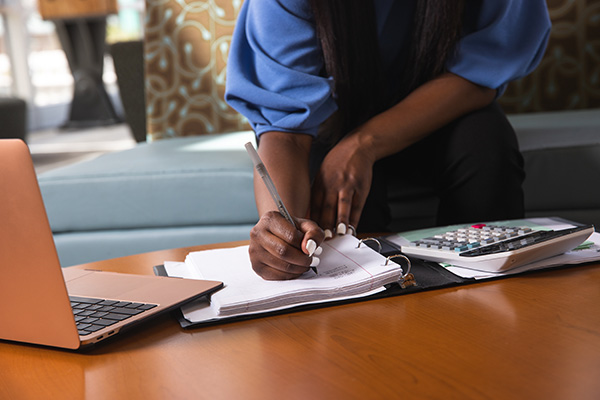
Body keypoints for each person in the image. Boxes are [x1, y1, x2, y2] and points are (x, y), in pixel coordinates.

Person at [225, 0, 551, 280]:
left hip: (443, 115)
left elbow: (483, 70)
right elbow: (287, 128)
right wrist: (281, 236)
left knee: (486, 145)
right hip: (333, 124)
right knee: (330, 192)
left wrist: (364, 145)